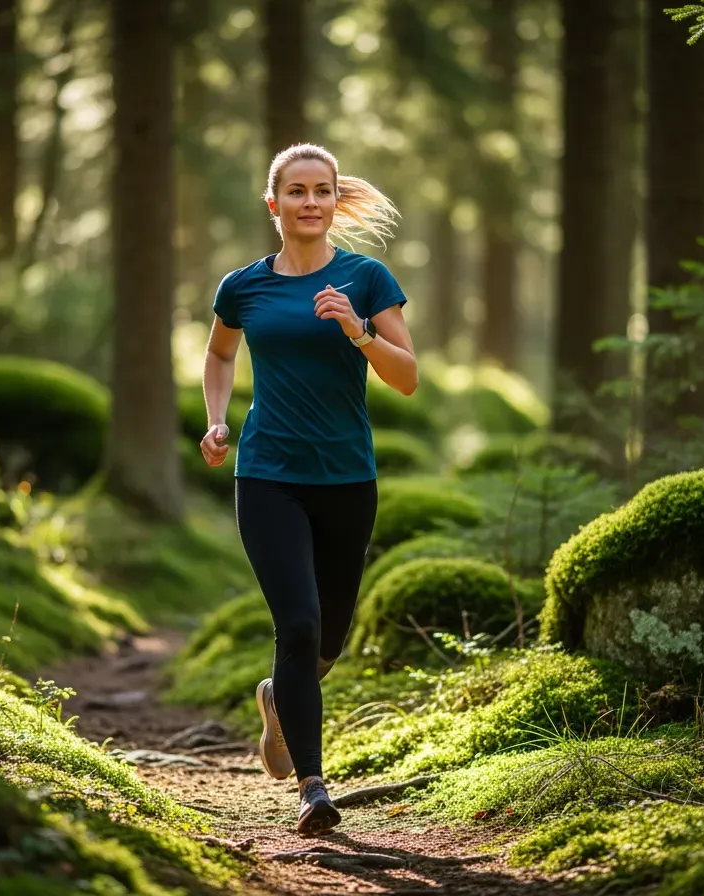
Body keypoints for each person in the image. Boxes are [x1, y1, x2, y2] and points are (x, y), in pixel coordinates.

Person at [198, 143, 419, 835]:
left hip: (347, 477)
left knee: (328, 640)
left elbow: (408, 377)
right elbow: (219, 353)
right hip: (268, 475)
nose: (311, 202)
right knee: (297, 624)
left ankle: (277, 699)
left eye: (322, 190)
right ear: (274, 204)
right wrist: (216, 420)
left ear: (334, 199)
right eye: (297, 191)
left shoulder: (367, 278)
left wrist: (358, 332)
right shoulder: (243, 287)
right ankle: (312, 787)